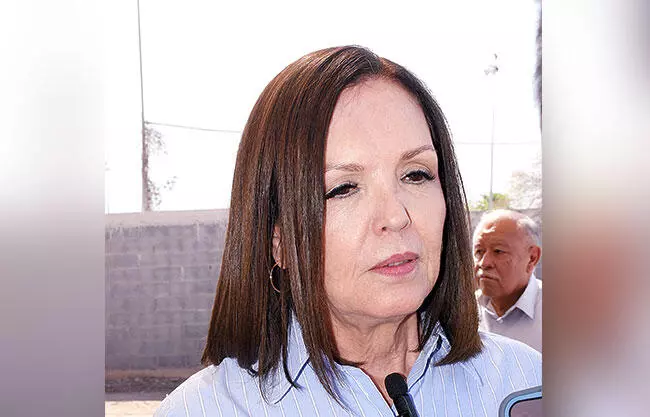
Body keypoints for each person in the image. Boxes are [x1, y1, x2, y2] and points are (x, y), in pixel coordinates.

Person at [155, 46, 541, 417]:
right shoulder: (204, 409)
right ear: (279, 241)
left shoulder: (528, 383)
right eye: (343, 188)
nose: (396, 216)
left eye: (416, 174)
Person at [473, 210, 543, 352]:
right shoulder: (463, 311)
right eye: (479, 251)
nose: (484, 263)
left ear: (532, 258)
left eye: (498, 251)